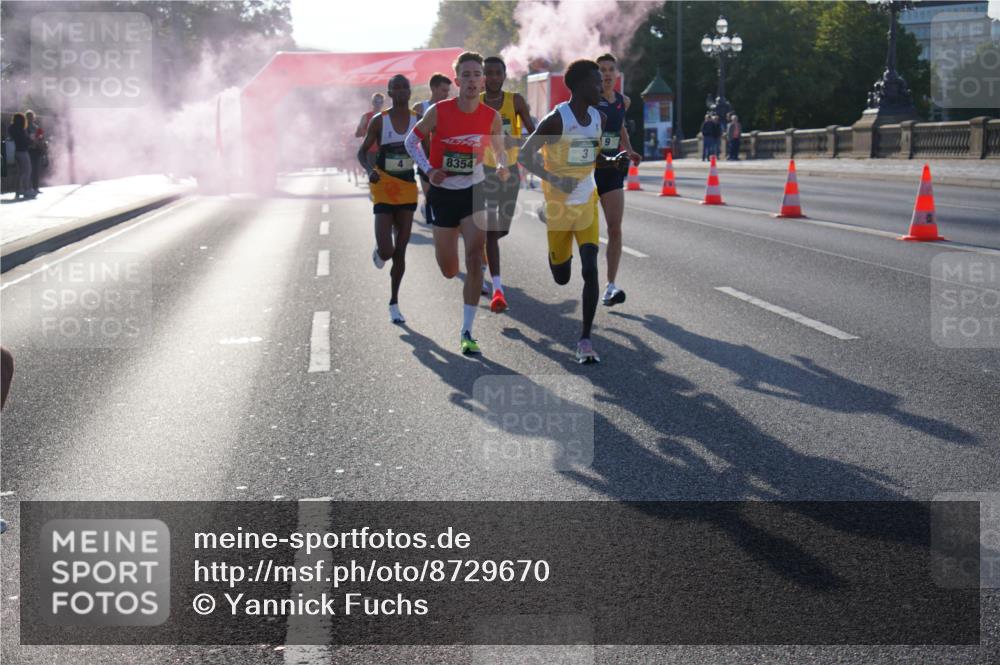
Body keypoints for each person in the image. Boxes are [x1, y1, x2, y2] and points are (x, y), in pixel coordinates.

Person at [519, 59, 629, 364]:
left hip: (586, 203)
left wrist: (612, 160)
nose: (603, 86)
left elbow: (592, 158)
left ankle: (585, 340)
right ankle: (553, 244)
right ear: (580, 86)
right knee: (561, 277)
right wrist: (555, 179)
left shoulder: (598, 117)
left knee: (591, 269)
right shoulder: (556, 120)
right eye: (596, 82)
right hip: (558, 207)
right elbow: (525, 156)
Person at [404, 51, 508, 355]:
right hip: (443, 193)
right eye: (466, 75)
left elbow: (500, 149)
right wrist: (428, 169)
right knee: (449, 269)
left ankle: (467, 330)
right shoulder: (439, 111)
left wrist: (501, 165)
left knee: (475, 257)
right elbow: (412, 141)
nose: (473, 80)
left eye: (477, 74)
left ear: (484, 80)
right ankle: (454, 258)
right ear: (457, 80)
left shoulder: (491, 116)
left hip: (474, 190)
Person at [358, 75, 419, 324]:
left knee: (401, 251)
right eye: (397, 88)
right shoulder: (379, 121)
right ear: (390, 92)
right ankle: (380, 251)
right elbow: (362, 152)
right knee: (387, 250)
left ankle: (394, 302)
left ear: (410, 91)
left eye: (405, 87)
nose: (402, 91)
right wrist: (369, 170)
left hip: (407, 187)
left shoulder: (419, 120)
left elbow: (428, 149)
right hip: (383, 186)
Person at [479, 55, 536, 312]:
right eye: (487, 73)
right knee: (491, 230)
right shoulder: (475, 102)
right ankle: (497, 288)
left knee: (501, 230)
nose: (492, 77)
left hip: (509, 171)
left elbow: (534, 134)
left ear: (504, 75)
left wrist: (517, 142)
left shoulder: (515, 101)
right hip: (484, 171)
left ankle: (481, 251)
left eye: (496, 73)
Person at [594, 53, 641, 308]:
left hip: (612, 172)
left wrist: (630, 149)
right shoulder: (589, 102)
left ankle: (610, 286)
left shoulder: (623, 101)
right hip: (588, 172)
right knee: (580, 230)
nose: (606, 74)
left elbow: (620, 127)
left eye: (611, 69)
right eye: (601, 70)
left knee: (614, 228)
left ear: (617, 74)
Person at [412, 73, 452, 224]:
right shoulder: (420, 108)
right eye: (443, 90)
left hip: (443, 160)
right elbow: (411, 136)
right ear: (433, 89)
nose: (446, 94)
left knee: (443, 195)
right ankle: (430, 213)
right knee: (430, 195)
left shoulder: (449, 108)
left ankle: (442, 222)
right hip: (424, 161)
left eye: (448, 91)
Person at [355, 93, 385, 185]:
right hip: (370, 151)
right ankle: (374, 193)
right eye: (376, 101)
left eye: (380, 101)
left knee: (385, 177)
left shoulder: (387, 116)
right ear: (372, 102)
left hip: (384, 151)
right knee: (374, 177)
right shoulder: (366, 116)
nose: (378, 104)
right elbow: (357, 134)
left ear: (383, 103)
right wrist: (369, 131)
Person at [8, 113, 32, 199]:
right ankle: (25, 189)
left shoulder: (11, 128)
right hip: (22, 151)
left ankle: (18, 190)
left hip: (14, 152)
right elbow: (25, 141)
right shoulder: (21, 129)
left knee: (19, 172)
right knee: (27, 170)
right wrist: (30, 140)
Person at [25, 110, 44, 194]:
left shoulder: (36, 127)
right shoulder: (25, 127)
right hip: (29, 150)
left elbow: (40, 137)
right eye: (29, 117)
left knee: (35, 169)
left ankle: (35, 187)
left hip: (36, 150)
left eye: (32, 117)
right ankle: (28, 188)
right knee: (28, 170)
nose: (30, 118)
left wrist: (40, 139)